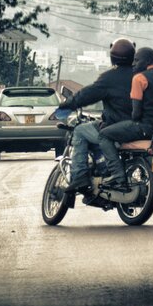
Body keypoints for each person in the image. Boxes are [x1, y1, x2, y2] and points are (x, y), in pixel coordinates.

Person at [59, 38, 135, 193]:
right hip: (141, 127)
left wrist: (67, 105)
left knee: (80, 131)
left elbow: (87, 95)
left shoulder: (110, 77)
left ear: (112, 57)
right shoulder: (142, 76)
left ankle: (79, 176)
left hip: (116, 127)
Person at [99, 47, 153, 185]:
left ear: (148, 61)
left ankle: (117, 175)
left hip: (147, 128)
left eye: (136, 60)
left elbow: (136, 114)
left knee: (104, 135)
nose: (133, 64)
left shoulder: (139, 78)